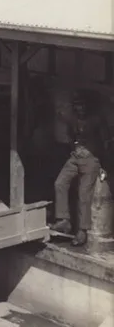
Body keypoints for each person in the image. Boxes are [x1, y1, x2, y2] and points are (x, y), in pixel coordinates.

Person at [50, 93, 111, 246]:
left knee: (84, 195)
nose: (81, 108)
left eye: (83, 105)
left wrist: (103, 165)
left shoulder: (97, 121)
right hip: (75, 157)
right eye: (78, 105)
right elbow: (71, 136)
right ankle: (63, 220)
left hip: (91, 160)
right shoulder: (73, 119)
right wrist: (75, 149)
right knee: (60, 183)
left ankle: (82, 231)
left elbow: (106, 143)